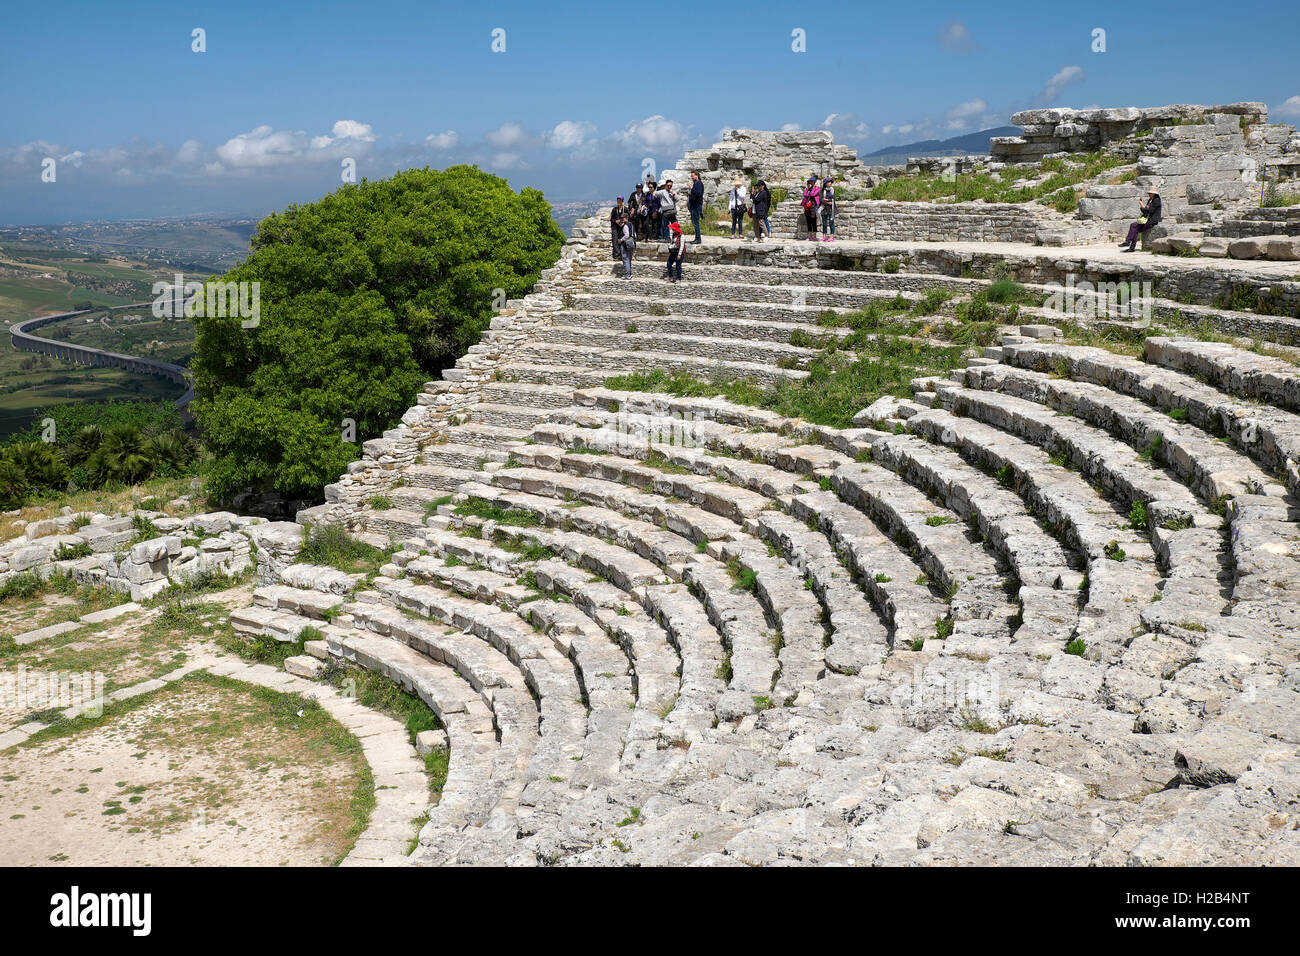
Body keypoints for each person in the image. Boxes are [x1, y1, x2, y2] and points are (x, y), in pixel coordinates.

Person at [801, 176, 821, 240]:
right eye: (810, 182)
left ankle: (814, 236)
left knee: (813, 220)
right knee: (808, 220)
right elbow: (805, 195)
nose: (811, 183)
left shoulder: (817, 188)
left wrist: (811, 190)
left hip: (813, 205)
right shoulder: (807, 189)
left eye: (812, 182)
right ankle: (809, 236)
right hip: (807, 206)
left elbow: (813, 194)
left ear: (814, 182)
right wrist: (808, 189)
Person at [688, 171, 705, 244]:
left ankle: (698, 239)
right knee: (694, 221)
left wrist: (691, 188)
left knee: (696, 222)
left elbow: (699, 194)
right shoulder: (696, 183)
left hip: (696, 205)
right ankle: (697, 238)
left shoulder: (699, 184)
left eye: (692, 176)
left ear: (697, 176)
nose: (691, 177)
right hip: (694, 205)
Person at [819, 177, 836, 241]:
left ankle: (831, 236)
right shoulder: (822, 190)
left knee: (831, 222)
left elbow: (833, 199)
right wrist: (828, 202)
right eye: (829, 182)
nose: (830, 183)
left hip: (831, 209)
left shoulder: (832, 190)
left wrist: (826, 199)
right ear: (825, 183)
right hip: (824, 208)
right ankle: (824, 236)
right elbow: (821, 200)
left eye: (831, 182)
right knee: (824, 223)